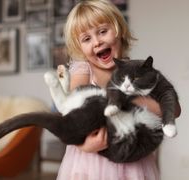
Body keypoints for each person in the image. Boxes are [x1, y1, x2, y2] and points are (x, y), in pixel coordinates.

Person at [56, 0, 181, 179]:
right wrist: (83, 144)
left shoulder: (135, 71)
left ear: (119, 30)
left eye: (102, 31)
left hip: (132, 160)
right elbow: (74, 107)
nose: (97, 42)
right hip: (90, 163)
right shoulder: (83, 68)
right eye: (86, 38)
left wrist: (129, 101)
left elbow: (174, 110)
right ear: (79, 48)